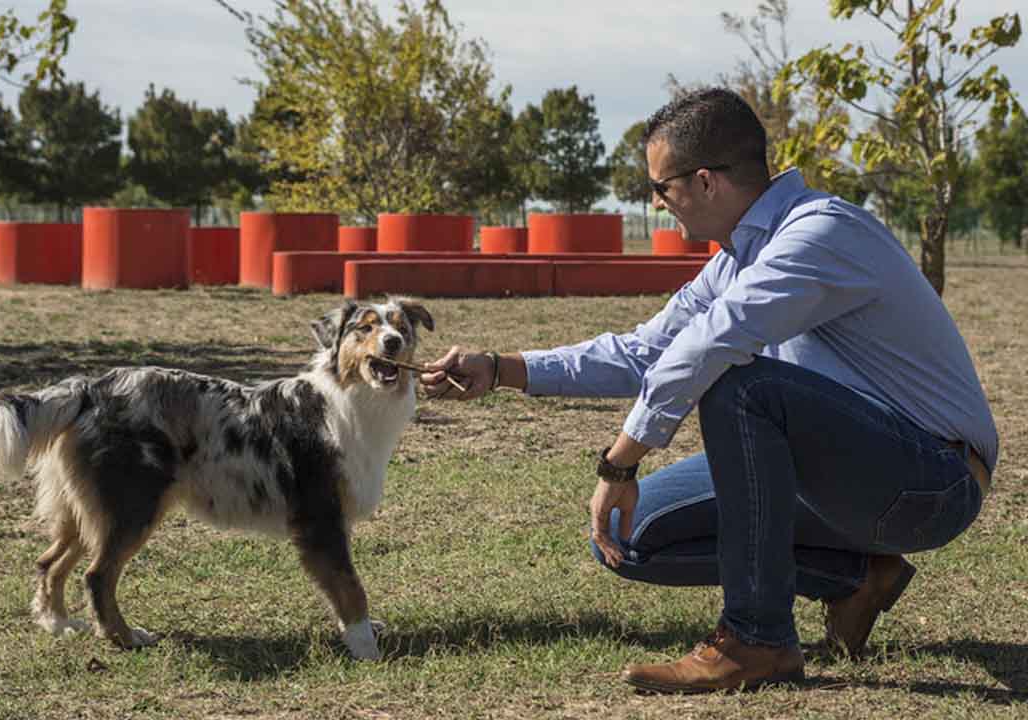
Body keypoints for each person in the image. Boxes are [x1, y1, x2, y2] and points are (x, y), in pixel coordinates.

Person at [419, 87, 997, 694]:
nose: (658, 203)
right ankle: (853, 577)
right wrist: (503, 367)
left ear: (704, 182)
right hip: (841, 481)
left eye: (659, 189)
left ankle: (758, 640)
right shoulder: (736, 259)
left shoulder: (821, 234)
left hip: (930, 483)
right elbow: (648, 351)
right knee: (629, 537)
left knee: (741, 387)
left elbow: (710, 346)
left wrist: (619, 463)